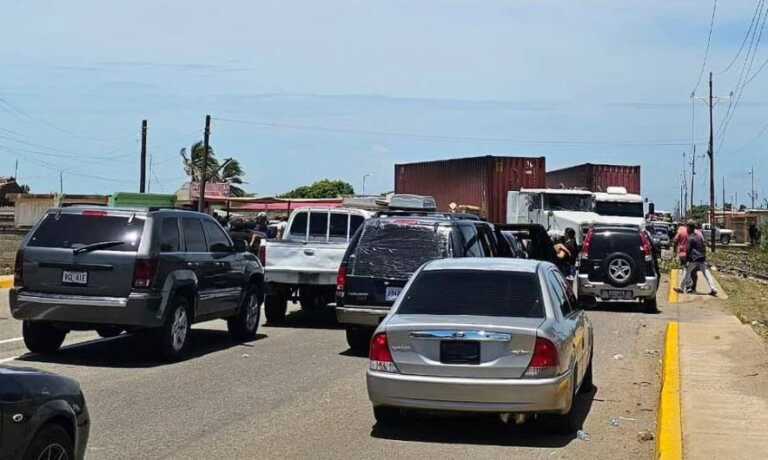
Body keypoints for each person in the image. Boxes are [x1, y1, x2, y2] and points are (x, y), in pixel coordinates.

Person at [676, 222, 718, 296]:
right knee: (707, 273)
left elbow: (688, 250)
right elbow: (704, 246)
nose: (687, 229)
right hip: (701, 257)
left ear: (689, 228)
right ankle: (713, 288)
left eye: (687, 227)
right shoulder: (699, 236)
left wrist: (687, 260)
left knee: (686, 271)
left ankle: (681, 288)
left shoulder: (690, 238)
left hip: (694, 258)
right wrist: (704, 256)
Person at [673, 222, 698, 292]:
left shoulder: (680, 230)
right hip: (691, 254)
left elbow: (675, 241)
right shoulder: (692, 232)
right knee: (687, 270)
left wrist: (675, 252)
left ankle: (688, 286)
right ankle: (688, 286)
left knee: (686, 270)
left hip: (682, 254)